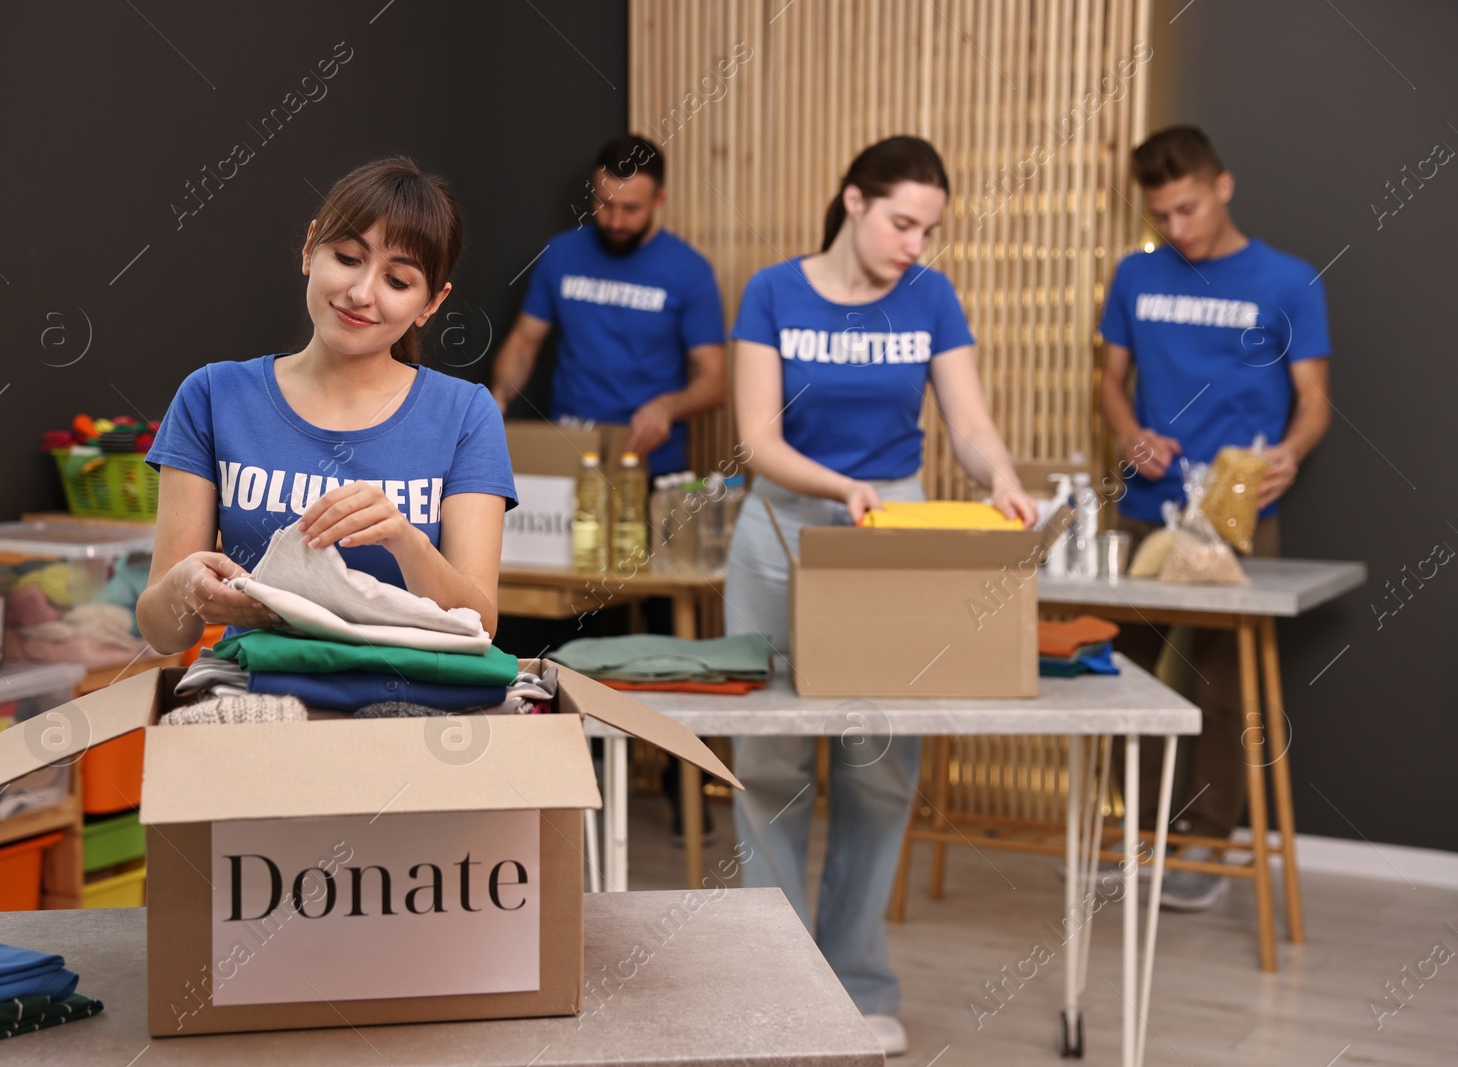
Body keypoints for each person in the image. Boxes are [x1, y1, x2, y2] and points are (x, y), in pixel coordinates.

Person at [724, 136, 1037, 1056]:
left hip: (893, 536)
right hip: (784, 528)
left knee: (878, 764)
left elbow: (969, 422)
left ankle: (857, 984)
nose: (915, 244)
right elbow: (756, 439)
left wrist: (1002, 476)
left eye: (929, 230)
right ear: (854, 200)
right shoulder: (773, 291)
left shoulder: (930, 297)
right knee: (772, 765)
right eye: (903, 223)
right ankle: (772, 981)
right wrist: (835, 486)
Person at [137, 157, 518, 656]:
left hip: (412, 709)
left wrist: (406, 540)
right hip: (262, 702)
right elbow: (164, 633)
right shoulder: (213, 395)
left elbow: (480, 624)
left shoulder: (466, 414)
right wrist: (185, 586)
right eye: (346, 257)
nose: (361, 293)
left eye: (397, 282)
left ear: (431, 304)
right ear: (310, 247)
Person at [1098, 126, 1332, 911]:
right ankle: (1127, 834)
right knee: (1115, 674)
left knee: (1227, 688)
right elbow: (1109, 383)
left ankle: (1205, 845)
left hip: (1237, 517)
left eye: (1188, 208)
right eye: (1161, 215)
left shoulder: (1290, 282)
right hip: (1142, 511)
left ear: (1223, 187)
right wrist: (1128, 432)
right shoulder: (1134, 275)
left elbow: (1315, 400)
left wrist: (1291, 453)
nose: (1177, 229)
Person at [489, 134, 727, 477]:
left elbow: (714, 381)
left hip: (650, 461)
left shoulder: (690, 271)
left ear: (659, 199)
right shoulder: (561, 254)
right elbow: (525, 342)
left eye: (630, 209)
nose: (615, 222)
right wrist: (499, 394)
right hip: (569, 451)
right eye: (605, 204)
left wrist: (668, 407)